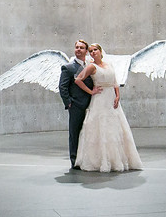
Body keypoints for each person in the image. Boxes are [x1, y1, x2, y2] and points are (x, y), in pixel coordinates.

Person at [73, 43, 143, 172]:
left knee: (115, 128)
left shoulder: (109, 64)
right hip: (99, 99)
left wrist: (117, 96)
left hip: (111, 99)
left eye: (95, 50)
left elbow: (115, 81)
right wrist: (90, 91)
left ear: (100, 51)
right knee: (101, 128)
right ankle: (102, 160)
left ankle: (118, 159)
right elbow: (78, 79)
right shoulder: (91, 67)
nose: (93, 52)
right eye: (91, 51)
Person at [58, 40, 102, 169]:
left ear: (86, 51)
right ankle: (75, 161)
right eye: (76, 47)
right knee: (75, 133)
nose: (78, 49)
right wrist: (69, 103)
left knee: (89, 133)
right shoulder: (68, 67)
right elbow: (62, 87)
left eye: (81, 48)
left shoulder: (91, 65)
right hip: (76, 105)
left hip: (92, 104)